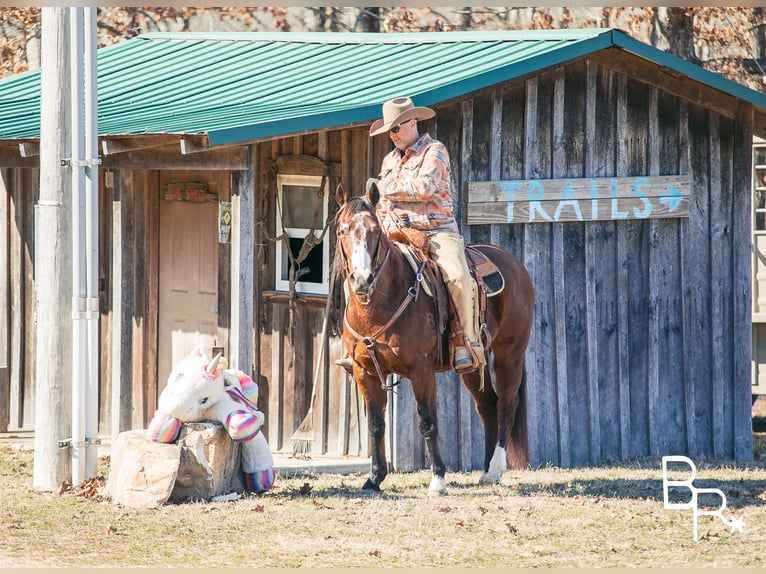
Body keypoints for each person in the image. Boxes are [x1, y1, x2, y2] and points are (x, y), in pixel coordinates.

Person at [336, 96, 485, 374]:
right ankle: (353, 346)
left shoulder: (435, 151)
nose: (392, 136)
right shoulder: (389, 160)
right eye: (389, 131)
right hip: (394, 232)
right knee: (355, 276)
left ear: (412, 122)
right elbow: (381, 203)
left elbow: (424, 188)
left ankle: (465, 341)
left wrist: (384, 185)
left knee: (457, 275)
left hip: (436, 232)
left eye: (396, 129)